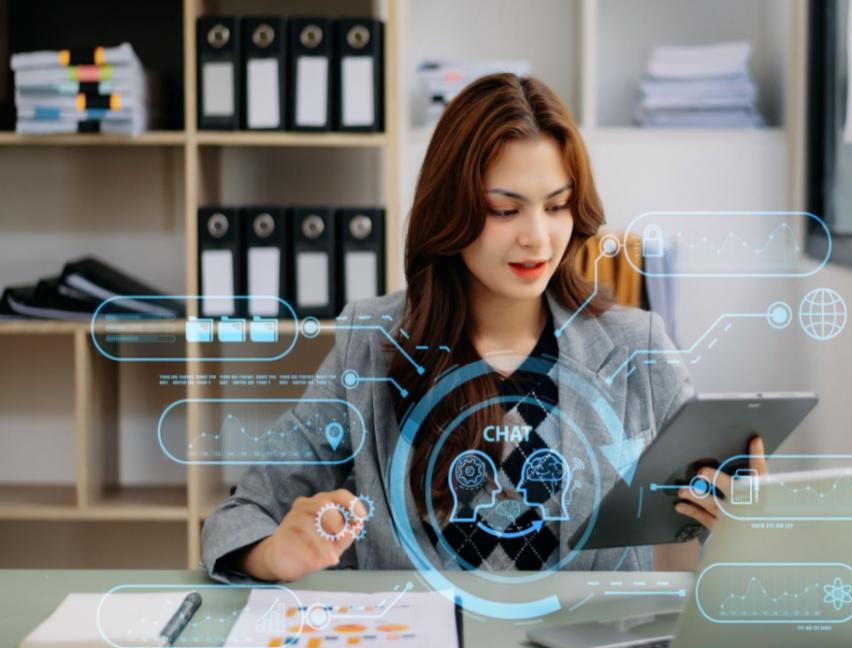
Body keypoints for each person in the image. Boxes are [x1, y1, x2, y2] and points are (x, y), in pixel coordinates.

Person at [201, 73, 765, 583]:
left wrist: (743, 525)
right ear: (452, 211)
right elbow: (241, 513)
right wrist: (273, 552)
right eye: (504, 210)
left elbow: (724, 545)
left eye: (557, 206)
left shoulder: (636, 347)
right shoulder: (369, 345)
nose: (538, 238)